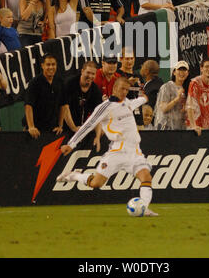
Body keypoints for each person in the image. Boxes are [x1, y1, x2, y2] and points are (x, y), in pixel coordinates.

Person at [57, 76, 159, 217]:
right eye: (122, 89)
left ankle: (144, 208)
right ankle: (74, 176)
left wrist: (144, 94)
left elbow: (143, 99)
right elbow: (89, 124)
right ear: (115, 88)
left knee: (146, 178)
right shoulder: (105, 107)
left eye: (126, 89)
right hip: (116, 152)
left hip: (135, 152)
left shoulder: (128, 103)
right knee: (96, 183)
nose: (124, 92)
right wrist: (71, 144)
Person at [24, 53, 67, 139]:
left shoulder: (60, 82)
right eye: (48, 64)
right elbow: (28, 105)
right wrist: (31, 127)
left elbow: (63, 105)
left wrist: (60, 125)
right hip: (36, 131)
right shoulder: (34, 83)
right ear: (42, 66)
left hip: (53, 130)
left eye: (53, 64)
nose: (51, 67)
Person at [64, 60, 102, 132]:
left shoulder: (95, 90)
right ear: (82, 71)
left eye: (93, 74)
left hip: (81, 127)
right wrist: (74, 128)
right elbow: (65, 108)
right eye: (88, 72)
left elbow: (97, 113)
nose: (90, 76)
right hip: (64, 126)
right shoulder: (70, 83)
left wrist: (98, 134)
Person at [154, 60, 190, 130]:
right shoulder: (167, 87)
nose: (182, 73)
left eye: (184, 70)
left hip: (181, 128)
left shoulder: (189, 88)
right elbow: (164, 109)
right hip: (166, 127)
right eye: (179, 70)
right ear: (174, 72)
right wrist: (177, 99)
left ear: (188, 73)